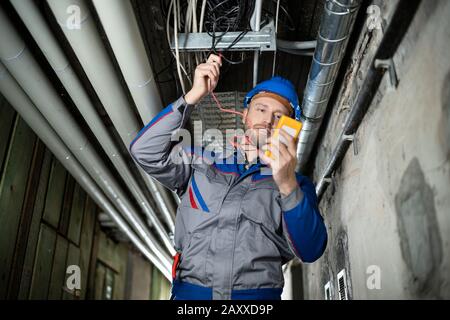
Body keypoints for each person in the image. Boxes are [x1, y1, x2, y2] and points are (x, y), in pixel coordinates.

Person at [129, 54, 327, 300]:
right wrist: (192, 97)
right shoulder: (201, 163)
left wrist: (286, 183)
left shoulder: (296, 187)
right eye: (261, 109)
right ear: (245, 115)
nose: (267, 120)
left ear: (289, 130)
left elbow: (311, 250)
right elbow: (144, 151)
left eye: (279, 116)